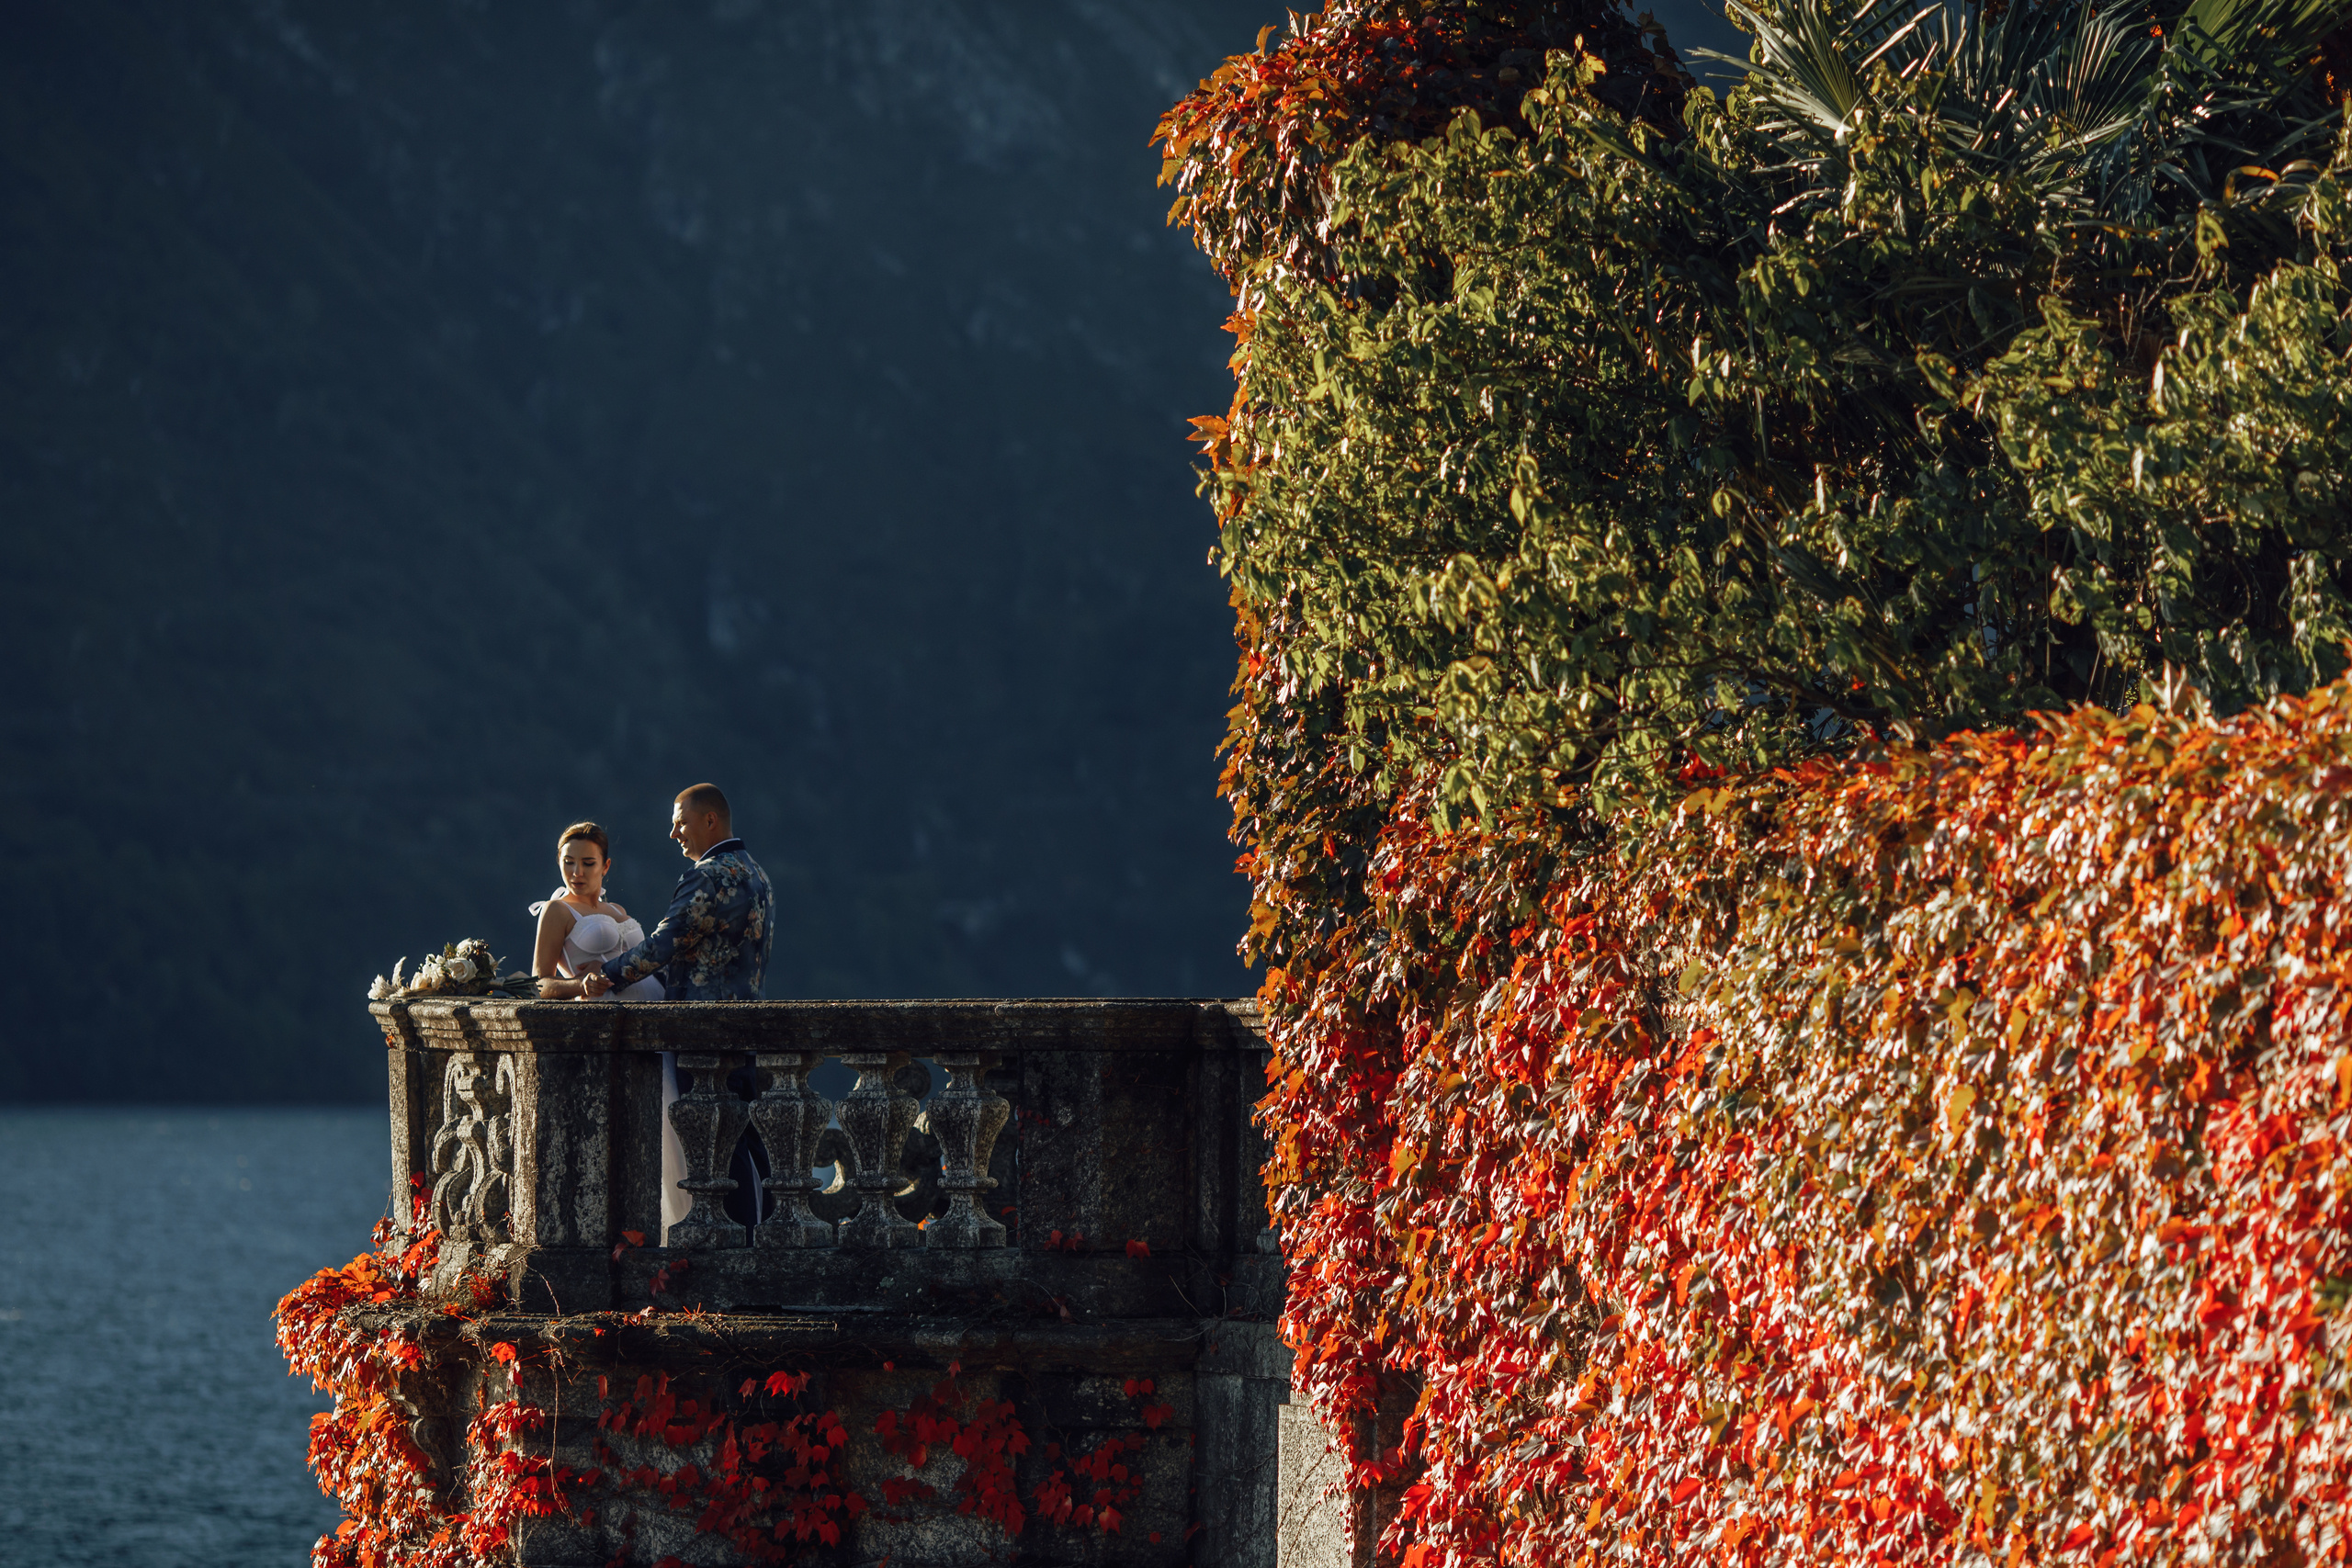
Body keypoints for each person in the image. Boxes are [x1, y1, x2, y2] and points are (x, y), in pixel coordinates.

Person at [585, 784, 775, 1225]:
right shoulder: (755, 872)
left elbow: (663, 945)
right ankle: (761, 1241)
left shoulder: (708, 875)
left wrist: (606, 977)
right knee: (746, 1140)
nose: (674, 834)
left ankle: (734, 1251)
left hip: (701, 1030)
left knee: (716, 1148)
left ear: (711, 820)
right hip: (747, 1024)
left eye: (681, 822)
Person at [526, 822, 685, 1234]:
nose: (576, 872)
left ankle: (686, 1228)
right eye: (569, 862)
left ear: (606, 866)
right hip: (620, 1029)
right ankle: (662, 1232)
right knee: (658, 1128)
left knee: (677, 1123)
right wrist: (579, 985)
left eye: (587, 863)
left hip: (656, 1019)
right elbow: (539, 983)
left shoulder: (617, 912)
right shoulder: (557, 911)